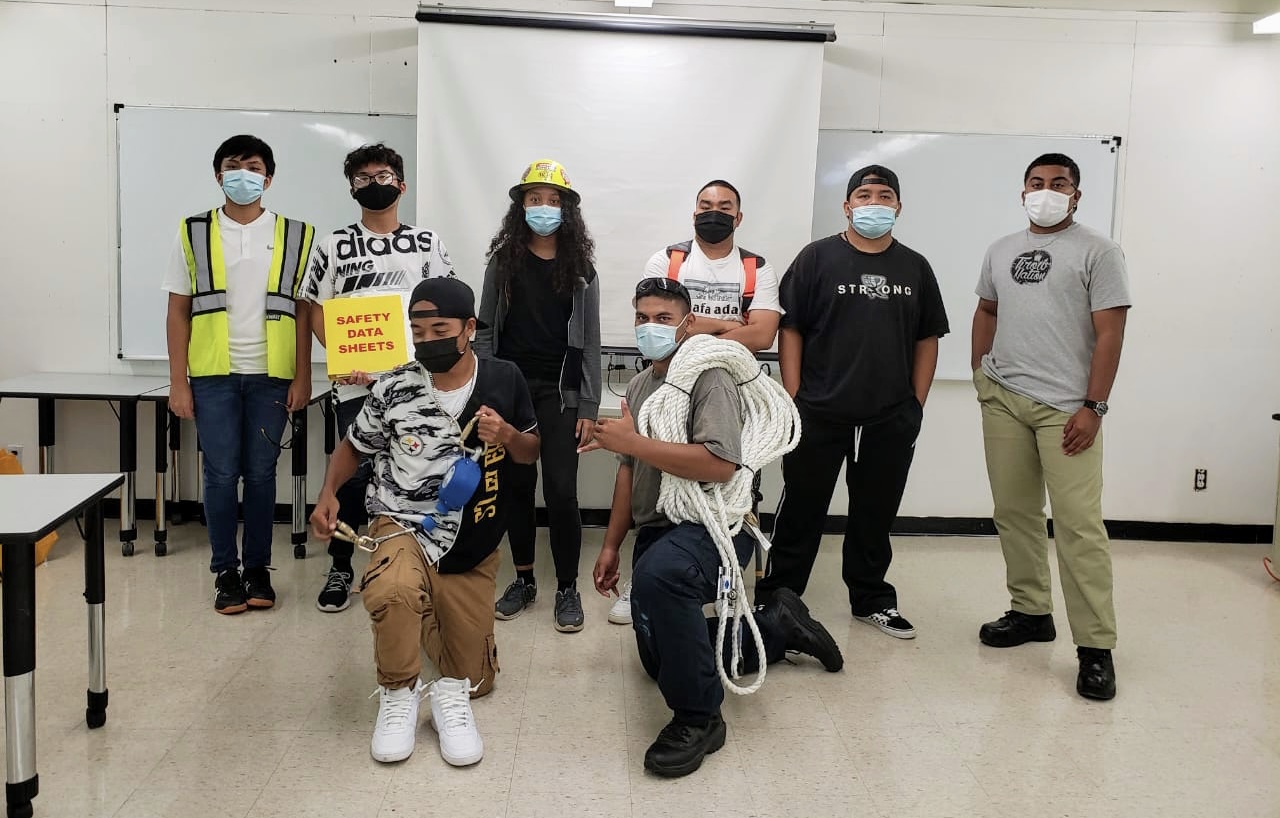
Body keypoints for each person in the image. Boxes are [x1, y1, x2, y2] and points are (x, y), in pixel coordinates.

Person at [589, 277, 843, 779]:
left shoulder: (709, 378)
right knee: (657, 660)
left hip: (717, 521)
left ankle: (699, 718)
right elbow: (628, 470)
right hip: (659, 526)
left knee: (665, 580)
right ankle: (775, 628)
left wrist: (635, 444)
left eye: (663, 319)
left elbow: (720, 465)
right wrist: (612, 544)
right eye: (642, 318)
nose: (650, 328)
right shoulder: (641, 387)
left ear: (687, 325)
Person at [310, 277, 539, 765]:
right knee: (391, 589)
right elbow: (354, 447)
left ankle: (433, 623)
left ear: (469, 328)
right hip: (402, 523)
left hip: (471, 541)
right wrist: (328, 493)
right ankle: (398, 692)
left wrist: (509, 435)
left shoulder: (503, 379)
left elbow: (530, 452)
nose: (429, 338)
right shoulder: (394, 385)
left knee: (475, 682)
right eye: (419, 329)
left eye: (441, 328)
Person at [754, 165, 949, 640]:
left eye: (885, 196)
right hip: (820, 410)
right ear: (847, 206)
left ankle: (872, 600)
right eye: (864, 195)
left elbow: (928, 337)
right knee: (802, 507)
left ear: (898, 206)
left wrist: (915, 404)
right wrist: (796, 397)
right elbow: (791, 328)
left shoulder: (915, 266)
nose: (874, 203)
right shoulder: (817, 258)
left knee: (875, 511)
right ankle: (780, 596)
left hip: (890, 416)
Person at [971, 153, 1131, 701]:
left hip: (1068, 408)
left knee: (1079, 526)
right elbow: (986, 311)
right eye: (1036, 184)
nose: (1046, 192)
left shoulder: (1099, 251)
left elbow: (1110, 333)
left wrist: (1095, 406)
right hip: (1004, 399)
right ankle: (1030, 612)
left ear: (1077, 194)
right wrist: (979, 373)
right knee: (1014, 513)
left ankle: (1095, 648)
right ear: (1023, 192)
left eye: (1058, 184)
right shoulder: (1001, 249)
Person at [603, 180, 783, 628]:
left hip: (731, 384)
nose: (714, 212)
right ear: (693, 212)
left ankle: (726, 580)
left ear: (738, 217)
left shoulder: (756, 268)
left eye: (725, 207)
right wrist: (724, 324)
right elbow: (662, 307)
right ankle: (654, 568)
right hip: (672, 381)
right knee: (655, 474)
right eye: (705, 205)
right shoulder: (669, 260)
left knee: (732, 484)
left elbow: (762, 335)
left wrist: (701, 333)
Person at [163, 134, 314, 615]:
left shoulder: (298, 234)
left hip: (273, 375)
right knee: (222, 475)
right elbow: (177, 312)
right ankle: (225, 572)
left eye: (252, 166)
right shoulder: (192, 232)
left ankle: (259, 571)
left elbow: (306, 312)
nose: (242, 173)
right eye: (233, 165)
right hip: (213, 377)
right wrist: (178, 382)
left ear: (268, 178)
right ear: (218, 175)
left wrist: (304, 377)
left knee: (263, 474)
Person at [302, 143, 454, 613]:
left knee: (420, 471)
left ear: (401, 184)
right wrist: (340, 353)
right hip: (356, 385)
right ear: (351, 187)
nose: (374, 183)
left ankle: (418, 560)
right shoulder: (331, 246)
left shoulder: (427, 244)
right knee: (352, 476)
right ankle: (341, 563)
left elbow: (447, 307)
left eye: (383, 175)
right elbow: (311, 307)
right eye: (363, 177)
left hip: (417, 385)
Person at [474, 159, 601, 632]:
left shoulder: (581, 269)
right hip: (509, 392)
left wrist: (588, 405)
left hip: (561, 394)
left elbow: (589, 340)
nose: (543, 208)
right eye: (534, 199)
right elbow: (483, 331)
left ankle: (567, 587)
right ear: (520, 206)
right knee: (515, 489)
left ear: (566, 210)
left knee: (563, 493)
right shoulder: (503, 262)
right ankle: (524, 580)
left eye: (552, 200)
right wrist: (486, 386)